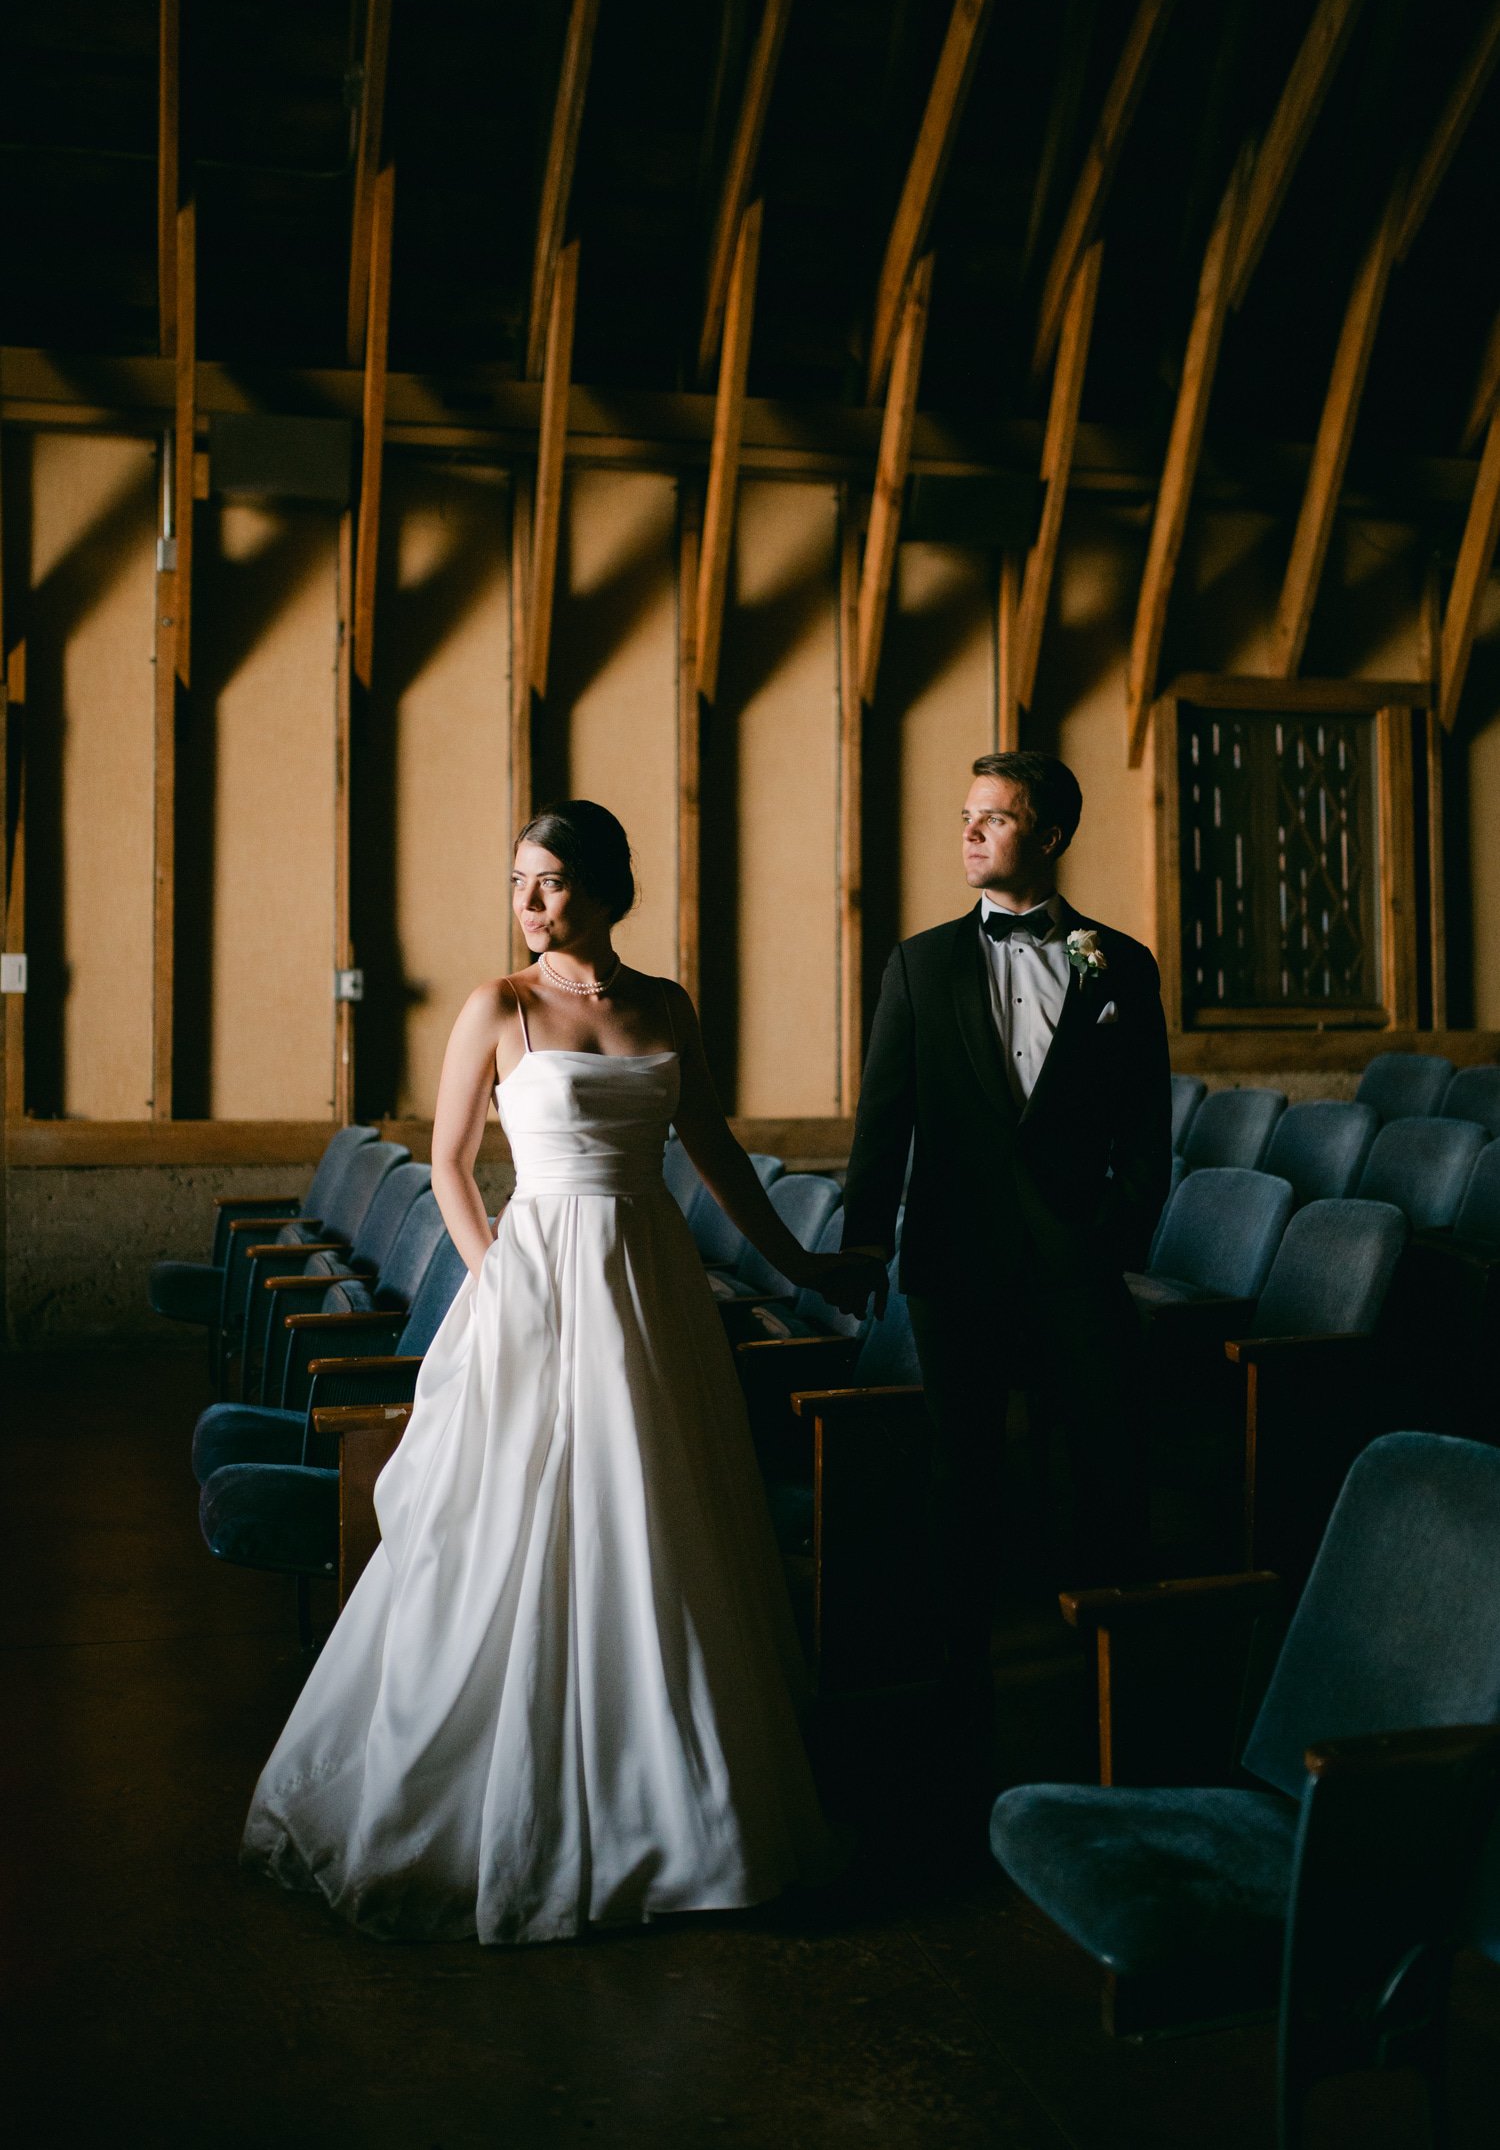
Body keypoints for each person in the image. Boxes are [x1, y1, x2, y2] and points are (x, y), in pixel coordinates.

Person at [241, 799, 870, 1944]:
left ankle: (675, 1801)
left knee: (658, 1512)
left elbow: (715, 1151)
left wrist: (800, 1261)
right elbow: (446, 1162)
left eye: (551, 882)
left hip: (649, 1278)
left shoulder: (666, 1005)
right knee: (512, 1518)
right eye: (519, 883)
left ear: (606, 886)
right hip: (534, 1270)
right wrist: (494, 1279)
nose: (529, 903)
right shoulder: (500, 1005)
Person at [839, 750, 1171, 1723]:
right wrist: (866, 1248)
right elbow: (882, 1120)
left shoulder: (1121, 962)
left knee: (1107, 1464)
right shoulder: (918, 962)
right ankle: (958, 1680)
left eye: (998, 817)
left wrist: (1118, 1237)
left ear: (1053, 836)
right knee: (963, 1474)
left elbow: (1145, 1129)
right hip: (955, 1265)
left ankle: (1124, 1673)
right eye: (967, 814)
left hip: (1076, 1264)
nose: (972, 831)